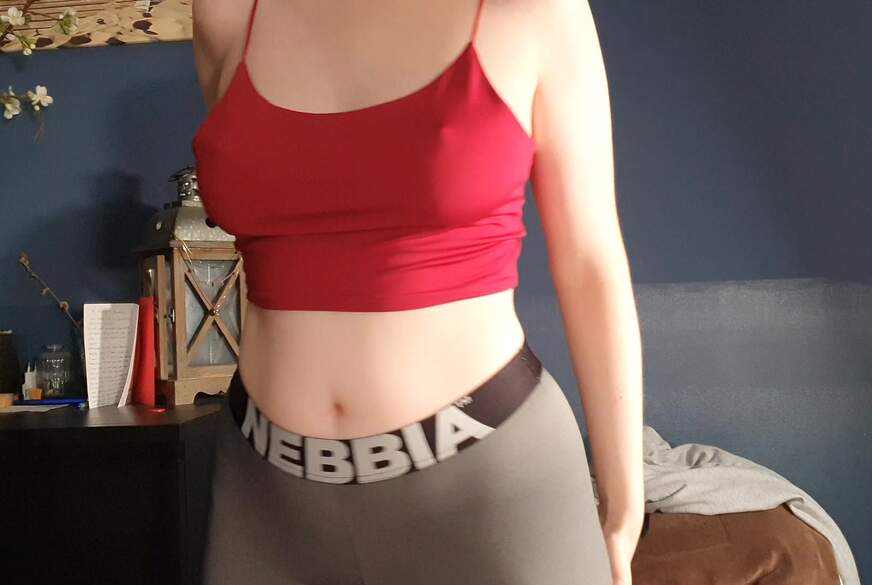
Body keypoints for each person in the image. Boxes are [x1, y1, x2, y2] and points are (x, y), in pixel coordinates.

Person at [191, 0, 645, 583]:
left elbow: (589, 264)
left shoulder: (533, 11)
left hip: (486, 492)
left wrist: (624, 506)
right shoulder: (227, 13)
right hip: (266, 502)